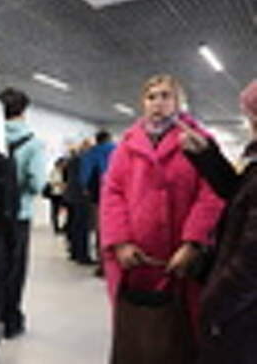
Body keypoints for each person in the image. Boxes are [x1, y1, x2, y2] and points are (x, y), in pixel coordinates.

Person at [100, 74, 224, 343]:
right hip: (137, 257)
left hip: (181, 255)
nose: (157, 103)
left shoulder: (199, 141)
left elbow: (212, 193)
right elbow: (112, 193)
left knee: (182, 330)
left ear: (179, 102)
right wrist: (120, 242)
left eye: (166, 96)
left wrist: (193, 242)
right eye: (151, 97)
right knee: (140, 331)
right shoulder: (127, 146)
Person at [179, 80, 257, 364]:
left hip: (242, 311)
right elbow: (238, 194)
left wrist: (214, 301)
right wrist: (206, 155)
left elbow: (251, 260)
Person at [0, 87, 46, 364]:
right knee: (15, 271)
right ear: (23, 111)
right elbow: (38, 183)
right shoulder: (33, 143)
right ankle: (11, 321)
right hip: (19, 217)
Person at [79, 130, 116, 275]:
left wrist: (85, 190)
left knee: (100, 229)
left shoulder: (90, 154)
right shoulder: (118, 150)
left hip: (98, 196)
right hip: (118, 195)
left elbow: (85, 176)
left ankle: (103, 264)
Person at [63, 141, 94, 265]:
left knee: (73, 224)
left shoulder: (71, 160)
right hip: (81, 196)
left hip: (70, 195)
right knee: (82, 226)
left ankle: (74, 251)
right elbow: (85, 177)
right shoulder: (84, 160)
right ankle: (83, 255)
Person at [47, 157, 67, 234]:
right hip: (55, 194)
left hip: (63, 193)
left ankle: (63, 226)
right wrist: (60, 184)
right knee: (55, 211)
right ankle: (56, 228)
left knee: (63, 211)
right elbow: (52, 182)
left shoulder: (65, 172)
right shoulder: (53, 171)